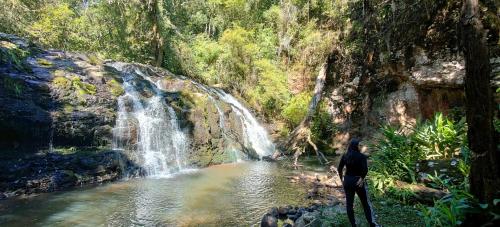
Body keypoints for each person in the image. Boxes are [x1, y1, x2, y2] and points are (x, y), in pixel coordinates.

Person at [337, 138, 379, 227]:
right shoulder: (362, 156)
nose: (360, 147)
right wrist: (362, 178)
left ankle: (353, 225)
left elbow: (339, 168)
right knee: (365, 203)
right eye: (359, 145)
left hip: (348, 180)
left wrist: (342, 179)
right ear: (356, 146)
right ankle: (372, 224)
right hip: (357, 181)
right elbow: (365, 169)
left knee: (349, 205)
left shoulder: (345, 155)